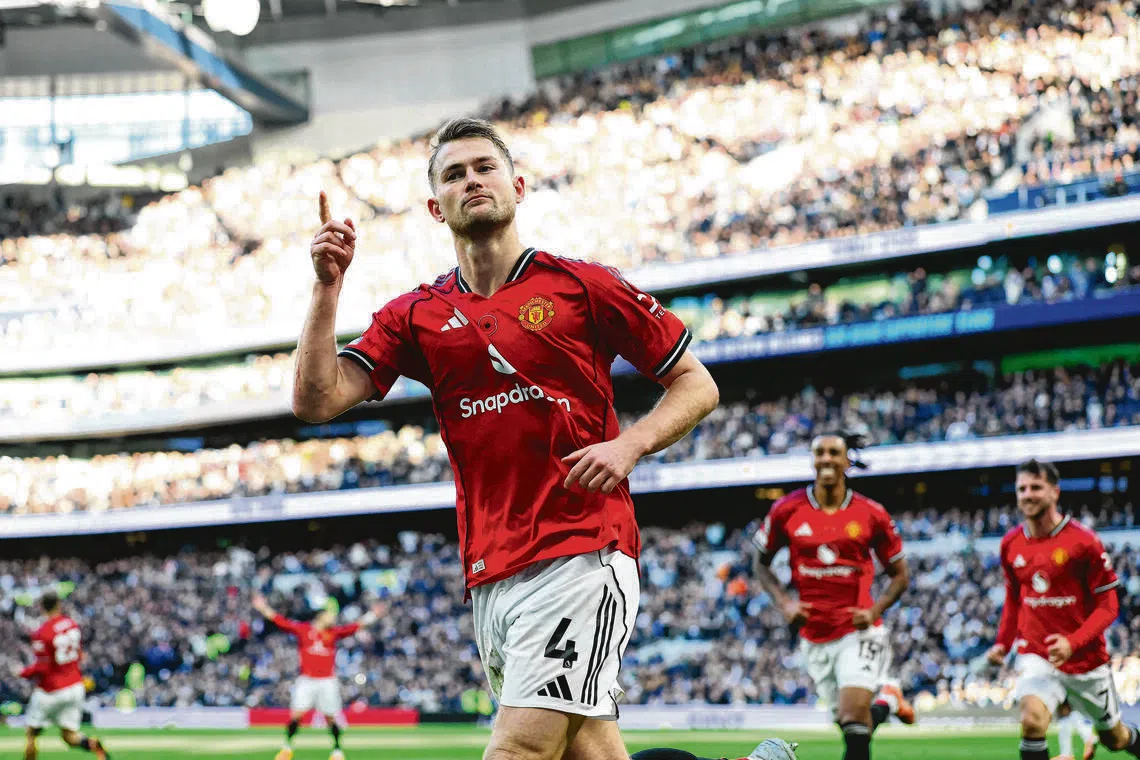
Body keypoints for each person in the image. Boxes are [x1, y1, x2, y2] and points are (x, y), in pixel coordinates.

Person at [292, 116, 796, 760]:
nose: (471, 181)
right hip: (490, 572)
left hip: (582, 550)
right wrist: (327, 286)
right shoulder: (416, 315)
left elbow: (697, 383)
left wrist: (629, 444)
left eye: (484, 168)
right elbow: (315, 400)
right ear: (433, 205)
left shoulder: (583, 285)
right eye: (454, 174)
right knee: (585, 751)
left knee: (519, 750)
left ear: (518, 186)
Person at [751, 433, 914, 760]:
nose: (826, 459)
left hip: (860, 630)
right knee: (851, 723)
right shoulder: (786, 510)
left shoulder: (871, 514)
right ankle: (887, 701)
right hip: (814, 635)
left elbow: (900, 576)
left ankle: (884, 700)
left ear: (847, 460)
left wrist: (875, 610)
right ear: (813, 459)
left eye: (834, 453)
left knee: (854, 724)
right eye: (820, 452)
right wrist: (784, 603)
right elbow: (760, 564)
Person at [985, 458, 1140, 760]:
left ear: (1054, 492)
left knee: (1115, 738)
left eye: (1035, 487)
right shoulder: (1010, 544)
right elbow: (1014, 599)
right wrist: (1003, 644)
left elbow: (1109, 606)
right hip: (1037, 652)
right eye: (1021, 488)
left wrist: (1073, 642)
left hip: (1086, 660)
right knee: (1032, 722)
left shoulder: (1084, 542)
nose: (1027, 494)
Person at [252, 594, 385, 760]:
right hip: (307, 680)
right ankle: (287, 748)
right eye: (330, 615)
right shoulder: (304, 630)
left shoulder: (334, 633)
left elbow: (355, 627)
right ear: (321, 616)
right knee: (296, 715)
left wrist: (373, 615)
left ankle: (337, 750)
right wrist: (263, 607)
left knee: (331, 717)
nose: (333, 618)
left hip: (327, 681)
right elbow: (280, 621)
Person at [15, 592, 110, 760]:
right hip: (75, 687)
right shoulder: (71, 624)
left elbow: (42, 667)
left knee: (31, 733)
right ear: (58, 605)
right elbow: (80, 655)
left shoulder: (43, 632)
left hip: (51, 690)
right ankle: (93, 744)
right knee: (69, 736)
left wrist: (22, 673)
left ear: (42, 607)